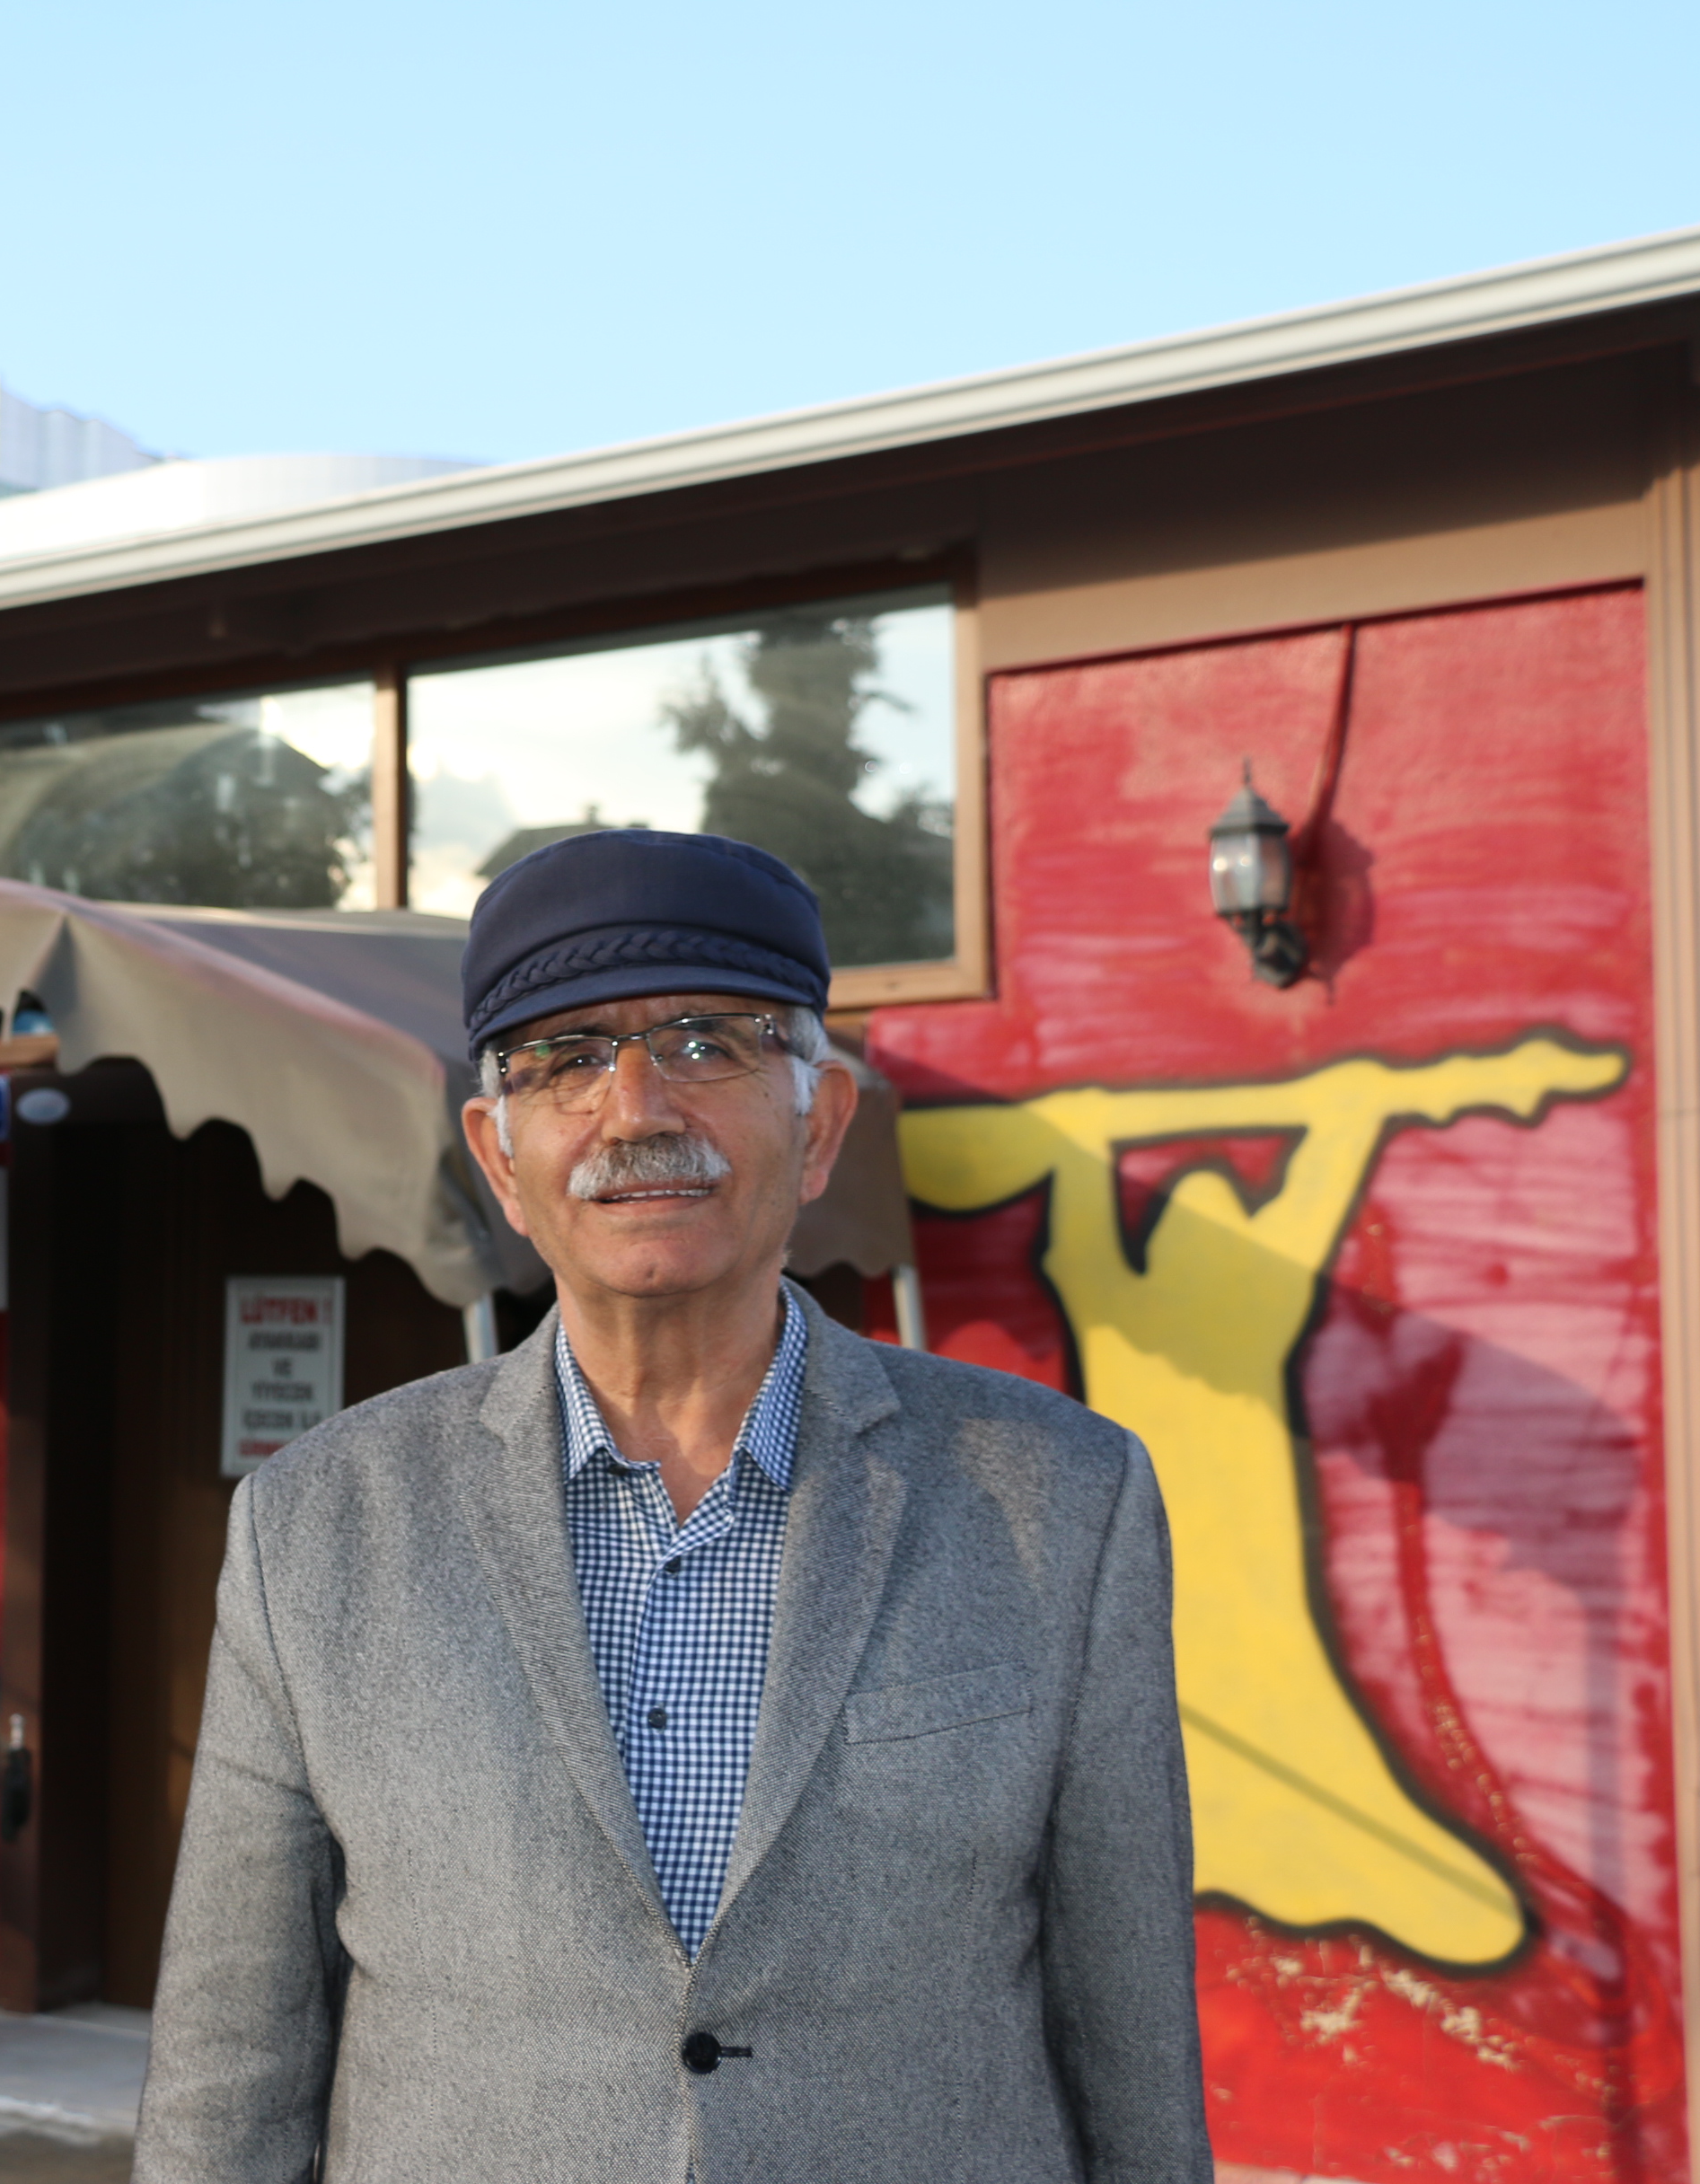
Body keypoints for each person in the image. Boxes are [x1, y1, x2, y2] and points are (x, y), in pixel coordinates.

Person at [134, 830, 1207, 2182]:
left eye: (709, 1043)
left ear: (820, 1127)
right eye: (564, 1059)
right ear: (500, 1156)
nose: (636, 1109)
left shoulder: (1063, 1499)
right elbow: (229, 2071)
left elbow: (1132, 2047)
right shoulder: (314, 1527)